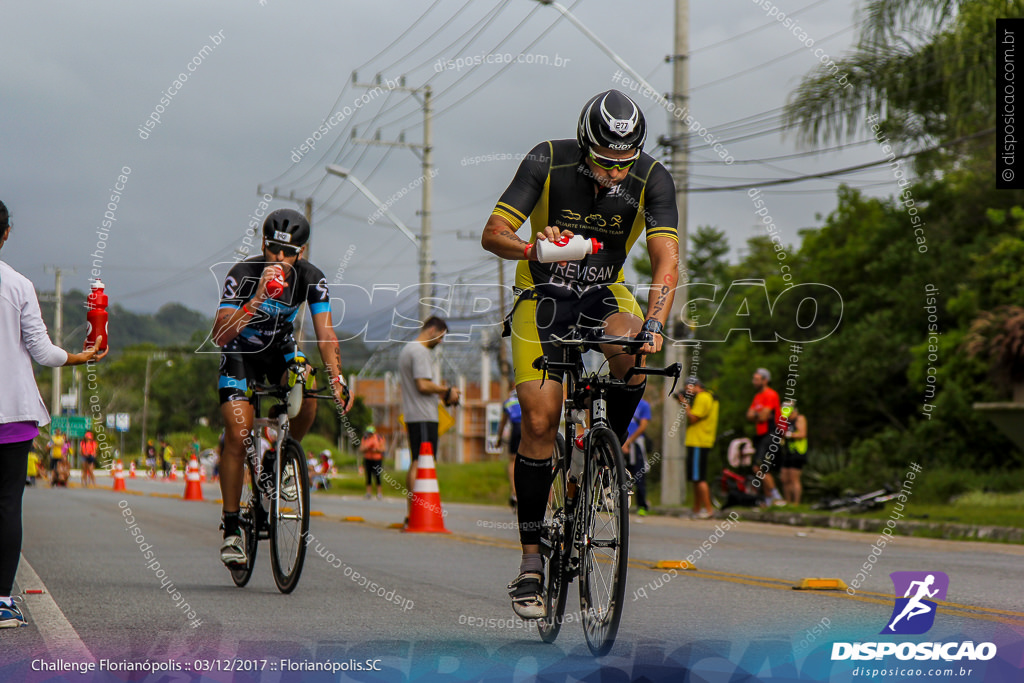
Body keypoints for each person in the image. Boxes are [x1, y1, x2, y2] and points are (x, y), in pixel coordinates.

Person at [480, 90, 678, 618]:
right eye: (604, 161)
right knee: (541, 423)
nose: (615, 174)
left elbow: (665, 260)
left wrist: (656, 320)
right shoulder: (548, 159)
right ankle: (529, 564)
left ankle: (597, 466)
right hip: (541, 298)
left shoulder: (653, 177)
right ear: (585, 142)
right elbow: (492, 233)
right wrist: (530, 247)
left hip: (601, 293)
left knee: (633, 344)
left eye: (624, 163)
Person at [211, 208, 352, 569]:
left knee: (312, 380)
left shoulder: (311, 277)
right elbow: (220, 334)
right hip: (241, 351)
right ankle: (231, 528)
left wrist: (338, 377)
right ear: (263, 244)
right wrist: (256, 297)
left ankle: (281, 457)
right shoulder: (241, 274)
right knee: (239, 431)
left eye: (288, 253)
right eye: (273, 249)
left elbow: (326, 334)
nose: (279, 258)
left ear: (300, 253)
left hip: (280, 350)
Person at [0, 199, 107, 627]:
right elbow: (43, 353)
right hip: (13, 414)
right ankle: (2, 602)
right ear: (6, 233)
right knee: (7, 505)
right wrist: (84, 357)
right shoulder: (19, 286)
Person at [398, 316, 460, 525]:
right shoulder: (420, 351)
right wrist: (447, 390)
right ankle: (417, 513)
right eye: (441, 337)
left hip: (414, 414)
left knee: (417, 460)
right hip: (424, 416)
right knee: (422, 462)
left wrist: (443, 394)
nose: (440, 342)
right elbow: (423, 385)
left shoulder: (408, 349)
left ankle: (411, 513)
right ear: (433, 330)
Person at [678, 377, 719, 519]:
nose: (687, 390)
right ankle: (696, 509)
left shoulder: (703, 397)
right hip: (700, 440)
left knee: (699, 478)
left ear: (696, 386)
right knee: (696, 478)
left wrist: (684, 403)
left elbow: (693, 418)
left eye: (688, 387)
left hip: (699, 441)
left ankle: (708, 510)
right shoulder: (710, 396)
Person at [746, 368, 784, 506]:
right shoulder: (757, 397)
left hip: (771, 433)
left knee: (760, 466)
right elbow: (749, 415)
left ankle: (775, 495)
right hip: (760, 435)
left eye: (757, 379)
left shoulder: (770, 394)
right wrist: (758, 415)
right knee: (760, 467)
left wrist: (757, 415)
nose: (754, 382)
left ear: (765, 380)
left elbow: (762, 416)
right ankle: (769, 499)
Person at [621, 398, 652, 516]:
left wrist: (629, 441)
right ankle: (619, 505)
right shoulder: (622, 402)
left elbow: (643, 426)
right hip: (620, 443)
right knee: (620, 475)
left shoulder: (644, 405)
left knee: (639, 476)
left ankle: (642, 506)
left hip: (635, 444)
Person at [498, 389, 522, 510]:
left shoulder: (508, 402)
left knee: (512, 461)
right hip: (529, 427)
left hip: (516, 428)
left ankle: (514, 494)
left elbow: (503, 423)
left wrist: (498, 440)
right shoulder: (528, 398)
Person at [780, 402, 807, 505]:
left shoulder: (800, 419)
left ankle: (796, 503)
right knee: (784, 478)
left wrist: (788, 434)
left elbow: (802, 434)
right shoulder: (786, 421)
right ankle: (788, 502)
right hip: (787, 452)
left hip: (798, 452)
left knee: (794, 479)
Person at [360, 427, 385, 499]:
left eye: (371, 433)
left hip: (377, 459)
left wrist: (376, 450)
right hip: (368, 459)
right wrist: (367, 448)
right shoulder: (365, 438)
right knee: (368, 476)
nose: (370, 434)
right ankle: (368, 493)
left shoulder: (379, 438)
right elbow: (361, 449)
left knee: (377, 476)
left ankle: (379, 493)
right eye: (369, 433)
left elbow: (383, 449)